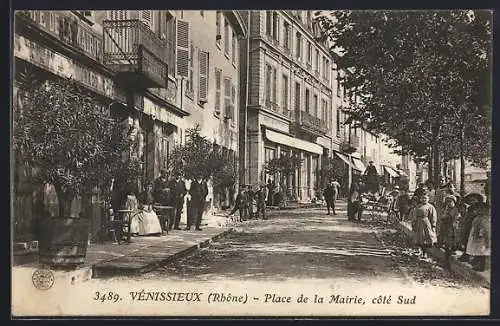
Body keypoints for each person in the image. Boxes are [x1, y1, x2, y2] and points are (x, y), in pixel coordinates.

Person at [465, 203, 490, 271]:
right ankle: (476, 262)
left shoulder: (485, 218)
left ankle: (481, 265)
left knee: (481, 251)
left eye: (481, 209)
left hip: (481, 236)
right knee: (476, 249)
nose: (479, 211)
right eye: (478, 209)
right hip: (475, 234)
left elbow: (485, 227)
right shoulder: (478, 218)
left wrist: (481, 233)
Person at [440, 195, 461, 267]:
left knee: (450, 245)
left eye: (450, 201)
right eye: (447, 202)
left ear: (454, 202)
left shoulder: (456, 210)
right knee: (446, 245)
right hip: (446, 228)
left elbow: (455, 220)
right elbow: (442, 217)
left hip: (452, 229)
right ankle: (446, 261)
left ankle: (448, 262)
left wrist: (448, 218)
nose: (449, 203)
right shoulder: (446, 209)